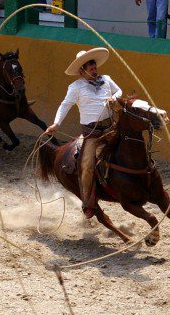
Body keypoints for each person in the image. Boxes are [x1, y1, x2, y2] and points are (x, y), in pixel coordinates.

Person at [45, 48, 123, 219]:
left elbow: (120, 91)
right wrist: (56, 123)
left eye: (93, 63)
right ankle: (88, 202)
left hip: (111, 128)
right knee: (86, 166)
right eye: (89, 65)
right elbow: (65, 105)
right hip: (92, 135)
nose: (93, 67)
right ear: (82, 70)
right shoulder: (75, 87)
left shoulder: (107, 80)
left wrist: (114, 98)